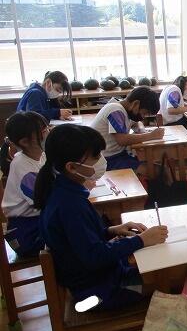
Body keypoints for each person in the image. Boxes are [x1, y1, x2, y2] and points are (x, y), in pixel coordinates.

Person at [34, 124, 168, 311]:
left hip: (96, 279)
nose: (100, 160)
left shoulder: (63, 192)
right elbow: (94, 256)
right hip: (98, 292)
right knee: (172, 282)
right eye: (95, 157)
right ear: (71, 167)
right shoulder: (69, 205)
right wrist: (141, 240)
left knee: (163, 269)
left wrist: (111, 230)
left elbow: (80, 240)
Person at [1, 112, 48, 258]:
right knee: (74, 234)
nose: (48, 133)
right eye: (43, 131)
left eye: (47, 128)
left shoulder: (41, 155)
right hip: (25, 233)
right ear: (25, 142)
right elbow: (45, 201)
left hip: (37, 220)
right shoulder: (23, 167)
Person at [90, 86, 162, 171]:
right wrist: (151, 135)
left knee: (155, 165)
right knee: (153, 170)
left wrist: (141, 130)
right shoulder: (115, 110)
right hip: (105, 160)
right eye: (144, 113)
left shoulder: (125, 109)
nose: (143, 117)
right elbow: (122, 140)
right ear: (136, 104)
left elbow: (137, 123)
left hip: (117, 155)